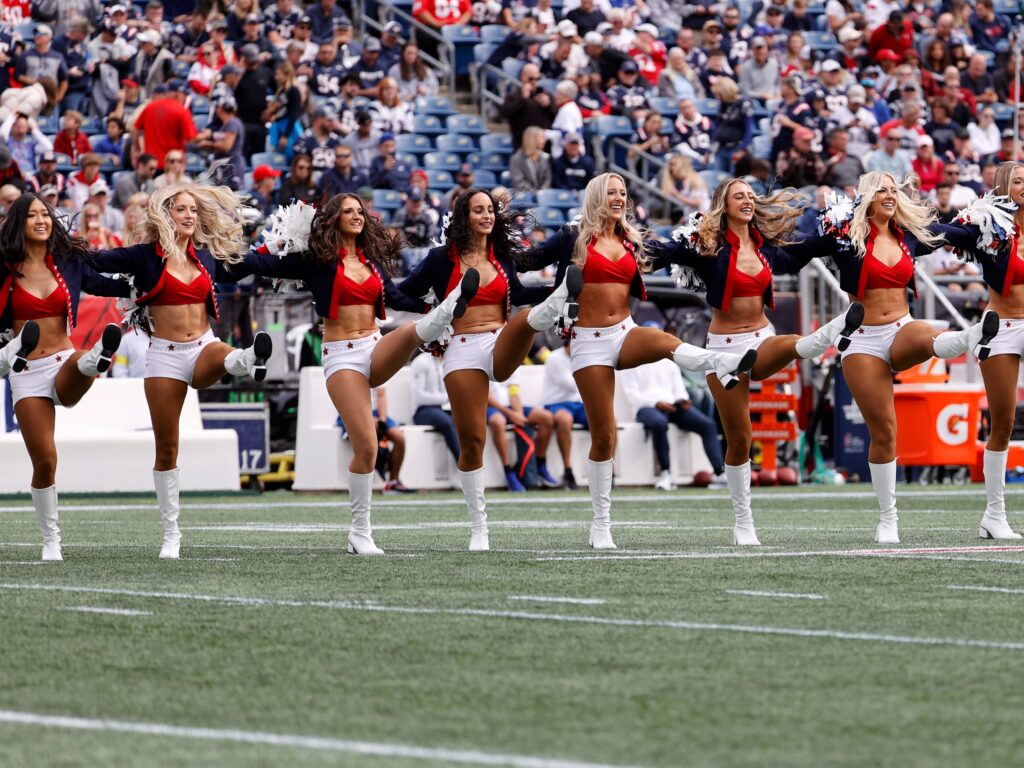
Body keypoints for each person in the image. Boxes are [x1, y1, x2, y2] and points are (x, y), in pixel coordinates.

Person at [235, 194, 482, 554]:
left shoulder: (372, 264)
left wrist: (430, 302)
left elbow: (397, 299)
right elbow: (251, 265)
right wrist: (274, 244)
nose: (356, 216)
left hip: (374, 346)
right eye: (348, 212)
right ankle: (359, 532)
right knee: (367, 445)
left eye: (360, 212)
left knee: (411, 330)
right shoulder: (315, 261)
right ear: (333, 219)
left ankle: (446, 310)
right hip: (341, 357)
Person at [525, 173, 759, 549]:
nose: (619, 198)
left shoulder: (632, 239)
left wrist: (712, 238)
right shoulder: (573, 237)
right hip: (587, 343)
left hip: (624, 331)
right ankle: (601, 524)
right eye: (612, 193)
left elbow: (679, 251)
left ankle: (720, 362)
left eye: (623, 193)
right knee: (605, 436)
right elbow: (530, 260)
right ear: (597, 197)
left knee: (665, 341)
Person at [654, 178, 865, 545]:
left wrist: (846, 227)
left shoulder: (768, 249)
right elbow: (664, 252)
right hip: (721, 349)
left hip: (760, 339)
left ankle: (829, 333)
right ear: (724, 204)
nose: (748, 201)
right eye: (740, 196)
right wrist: (624, 245)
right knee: (739, 439)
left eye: (751, 196)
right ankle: (743, 522)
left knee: (785, 344)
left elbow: (810, 247)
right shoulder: (707, 247)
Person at [809, 173, 1001, 543]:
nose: (890, 195)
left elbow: (958, 233)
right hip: (863, 340)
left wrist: (986, 218)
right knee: (884, 432)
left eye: (894, 189)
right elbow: (795, 253)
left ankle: (973, 336)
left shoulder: (909, 236)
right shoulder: (846, 238)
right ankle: (888, 518)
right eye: (881, 189)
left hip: (902, 328)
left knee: (927, 333)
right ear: (866, 197)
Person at [88, 183, 276, 560]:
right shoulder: (144, 257)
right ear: (165, 215)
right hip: (164, 357)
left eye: (193, 209)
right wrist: (61, 248)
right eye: (181, 209)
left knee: (221, 353)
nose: (189, 215)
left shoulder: (206, 258)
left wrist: (285, 253)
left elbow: (252, 265)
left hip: (203, 347)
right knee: (167, 447)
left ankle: (248, 357)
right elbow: (99, 260)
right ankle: (171, 532)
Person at [398, 188, 585, 550]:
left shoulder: (501, 256)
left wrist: (552, 288)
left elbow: (515, 292)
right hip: (461, 349)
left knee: (526, 320)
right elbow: (405, 292)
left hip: (500, 341)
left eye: (490, 210)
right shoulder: (441, 259)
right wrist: (434, 315)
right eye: (478, 210)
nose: (486, 216)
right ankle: (479, 526)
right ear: (464, 217)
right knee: (472, 441)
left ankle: (558, 301)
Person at [0, 193, 129, 561]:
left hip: (63, 361)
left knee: (79, 366)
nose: (41, 220)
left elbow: (104, 283)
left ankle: (98, 356)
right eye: (32, 215)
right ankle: (51, 540)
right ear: (18, 223)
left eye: (46, 214)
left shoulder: (68, 262)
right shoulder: (5, 265)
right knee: (45, 462)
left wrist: (145, 287)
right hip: (25, 374)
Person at [952, 163, 1024, 539]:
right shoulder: (989, 225)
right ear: (1003, 187)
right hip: (1002, 327)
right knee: (1004, 422)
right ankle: (994, 516)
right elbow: (953, 233)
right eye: (1017, 181)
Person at [621, 357, 725, 490]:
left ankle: (719, 473)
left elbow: (679, 391)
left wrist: (683, 400)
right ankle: (666, 474)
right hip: (647, 407)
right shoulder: (630, 363)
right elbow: (633, 397)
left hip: (673, 406)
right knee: (659, 423)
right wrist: (657, 403)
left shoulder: (668, 362)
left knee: (707, 425)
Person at [486, 372, 559, 491]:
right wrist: (511, 414)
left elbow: (514, 393)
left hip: (510, 408)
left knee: (547, 418)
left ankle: (539, 464)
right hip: (489, 407)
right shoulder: (484, 361)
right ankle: (508, 471)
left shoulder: (512, 364)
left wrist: (519, 414)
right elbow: (487, 398)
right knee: (498, 422)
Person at [541, 341, 586, 489]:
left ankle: (608, 472)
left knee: (609, 420)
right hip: (556, 403)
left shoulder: (583, 356)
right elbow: (572, 385)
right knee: (565, 420)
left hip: (578, 404)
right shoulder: (554, 358)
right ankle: (568, 471)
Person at [410, 351, 460, 462]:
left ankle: (471, 458)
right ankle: (461, 460)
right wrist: (447, 398)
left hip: (442, 408)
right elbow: (419, 396)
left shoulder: (447, 361)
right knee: (446, 421)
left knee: (462, 417)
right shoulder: (421, 362)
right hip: (422, 410)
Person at [509, 126, 552, 192]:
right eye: (542, 137)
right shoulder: (516, 159)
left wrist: (542, 193)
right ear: (532, 139)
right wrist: (534, 193)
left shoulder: (544, 158)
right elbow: (518, 182)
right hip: (525, 196)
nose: (545, 140)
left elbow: (547, 179)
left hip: (542, 196)